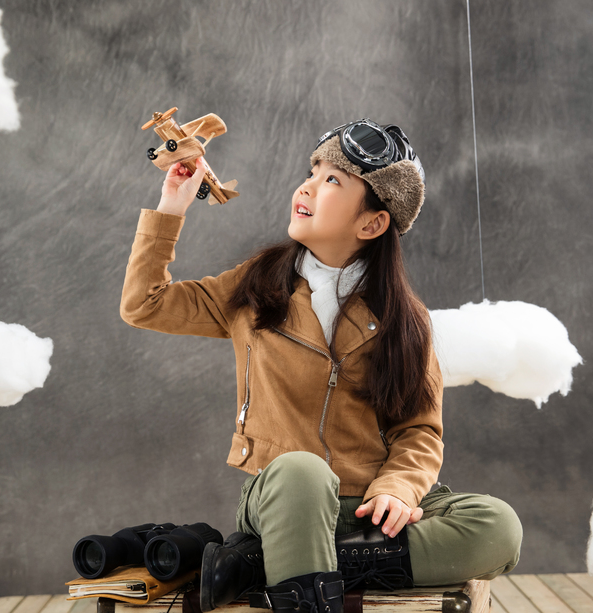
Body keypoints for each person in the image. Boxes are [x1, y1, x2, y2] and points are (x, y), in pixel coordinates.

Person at [120, 120, 522, 613]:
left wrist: (398, 489)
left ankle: (270, 565)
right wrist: (171, 208)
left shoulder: (404, 320)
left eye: (332, 179)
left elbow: (419, 430)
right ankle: (298, 554)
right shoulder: (255, 286)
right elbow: (144, 304)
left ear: (372, 224)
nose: (307, 186)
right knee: (303, 470)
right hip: (284, 497)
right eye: (312, 172)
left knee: (497, 526)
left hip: (368, 512)